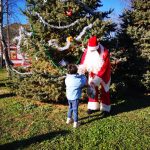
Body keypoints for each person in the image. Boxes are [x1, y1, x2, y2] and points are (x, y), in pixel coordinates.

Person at [79, 36, 111, 117]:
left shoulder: (105, 52)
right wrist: (82, 69)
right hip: (92, 73)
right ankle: (93, 106)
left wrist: (96, 79)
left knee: (105, 90)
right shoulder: (87, 50)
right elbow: (83, 61)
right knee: (92, 89)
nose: (92, 51)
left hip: (104, 75)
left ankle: (105, 108)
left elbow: (104, 68)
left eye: (94, 50)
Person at [65, 64, 87, 128]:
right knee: (75, 110)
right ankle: (76, 123)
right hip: (75, 98)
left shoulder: (67, 78)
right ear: (76, 71)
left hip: (69, 96)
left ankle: (68, 119)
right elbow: (84, 81)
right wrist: (83, 74)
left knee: (70, 107)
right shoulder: (79, 80)